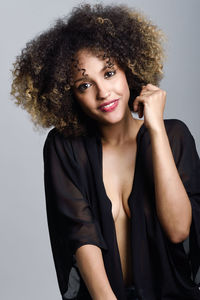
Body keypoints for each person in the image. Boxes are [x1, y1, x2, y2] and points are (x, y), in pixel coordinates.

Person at [10, 3, 200, 300]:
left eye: (109, 73)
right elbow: (80, 235)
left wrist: (157, 128)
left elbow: (178, 230)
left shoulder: (174, 136)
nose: (103, 92)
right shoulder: (64, 147)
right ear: (69, 95)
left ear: (129, 69)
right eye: (85, 84)